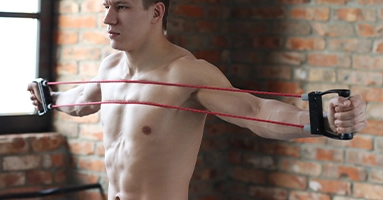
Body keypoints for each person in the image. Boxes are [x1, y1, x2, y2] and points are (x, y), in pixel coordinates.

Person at [27, 0, 367, 199]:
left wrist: (321, 119)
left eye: (122, 7)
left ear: (156, 12)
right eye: (106, 6)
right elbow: (81, 101)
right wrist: (48, 96)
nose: (107, 19)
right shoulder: (110, 66)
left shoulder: (186, 73)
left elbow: (255, 110)